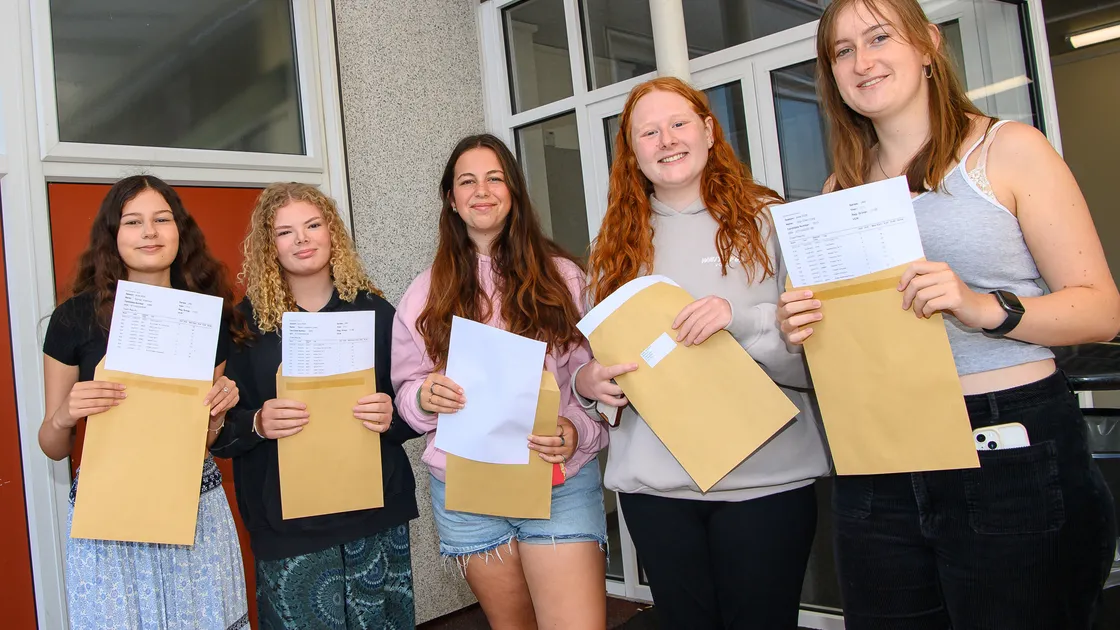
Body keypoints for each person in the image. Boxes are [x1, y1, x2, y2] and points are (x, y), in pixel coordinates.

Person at [778, 1, 1120, 627]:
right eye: (843, 50)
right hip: (880, 449)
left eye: (879, 37)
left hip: (1005, 445)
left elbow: (1101, 310)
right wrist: (805, 326)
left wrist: (981, 307)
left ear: (928, 43)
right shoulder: (837, 190)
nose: (862, 61)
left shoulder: (1007, 149)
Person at [573, 76, 830, 630]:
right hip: (656, 490)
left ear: (710, 132)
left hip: (766, 482)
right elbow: (604, 363)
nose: (666, 140)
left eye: (679, 123)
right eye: (649, 132)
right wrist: (589, 385)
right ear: (632, 153)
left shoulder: (771, 224)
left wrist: (739, 322)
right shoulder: (613, 246)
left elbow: (818, 358)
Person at [392, 133, 609, 630]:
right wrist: (426, 396)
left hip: (558, 481)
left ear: (513, 191)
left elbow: (591, 382)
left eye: (495, 178)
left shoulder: (564, 278)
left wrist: (577, 431)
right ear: (451, 198)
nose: (481, 190)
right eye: (467, 181)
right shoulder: (425, 290)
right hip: (467, 490)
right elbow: (407, 390)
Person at [39, 175, 248, 630]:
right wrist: (65, 414)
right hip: (109, 510)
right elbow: (52, 445)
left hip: (193, 504)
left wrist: (217, 411)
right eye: (133, 222)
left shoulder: (205, 315)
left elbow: (205, 441)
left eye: (161, 219)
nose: (149, 232)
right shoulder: (74, 317)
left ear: (181, 231)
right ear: (113, 236)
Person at [210, 183, 419, 629]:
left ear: (332, 233)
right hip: (288, 525)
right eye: (286, 232)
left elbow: (416, 404)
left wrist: (392, 416)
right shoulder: (241, 325)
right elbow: (217, 432)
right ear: (270, 246)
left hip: (373, 514)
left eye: (312, 225)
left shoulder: (376, 313)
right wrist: (259, 422)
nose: (302, 239)